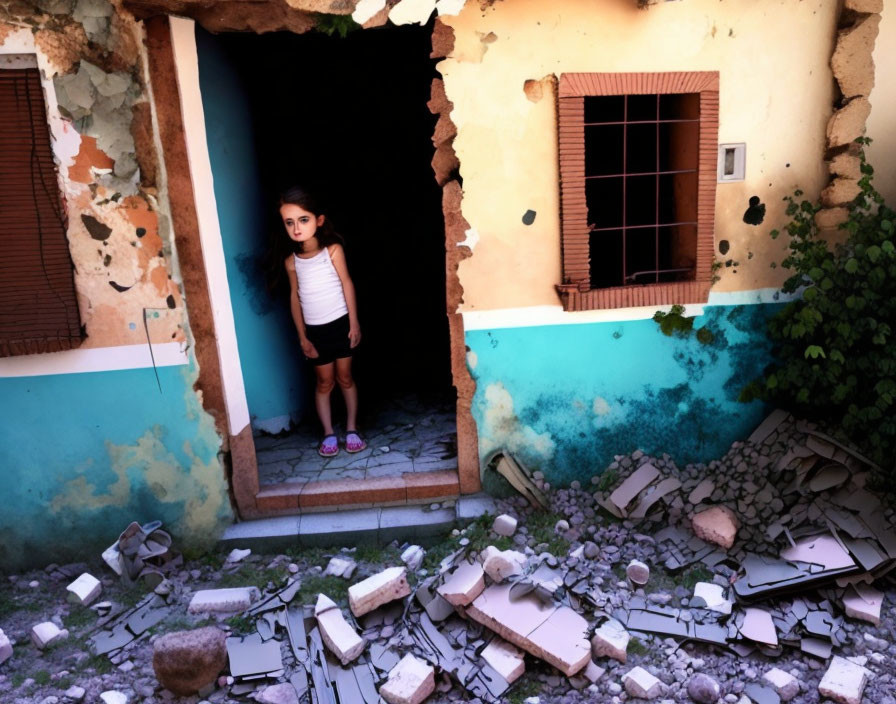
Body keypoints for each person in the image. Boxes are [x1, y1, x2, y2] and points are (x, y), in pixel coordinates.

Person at [279, 186, 366, 457]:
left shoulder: (333, 251)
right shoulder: (291, 262)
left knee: (345, 378)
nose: (296, 228)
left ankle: (351, 428)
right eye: (289, 222)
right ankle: (328, 433)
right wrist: (302, 337)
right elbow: (295, 298)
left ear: (319, 220)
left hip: (340, 324)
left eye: (303, 220)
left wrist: (354, 323)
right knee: (324, 382)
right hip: (315, 332)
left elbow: (347, 283)